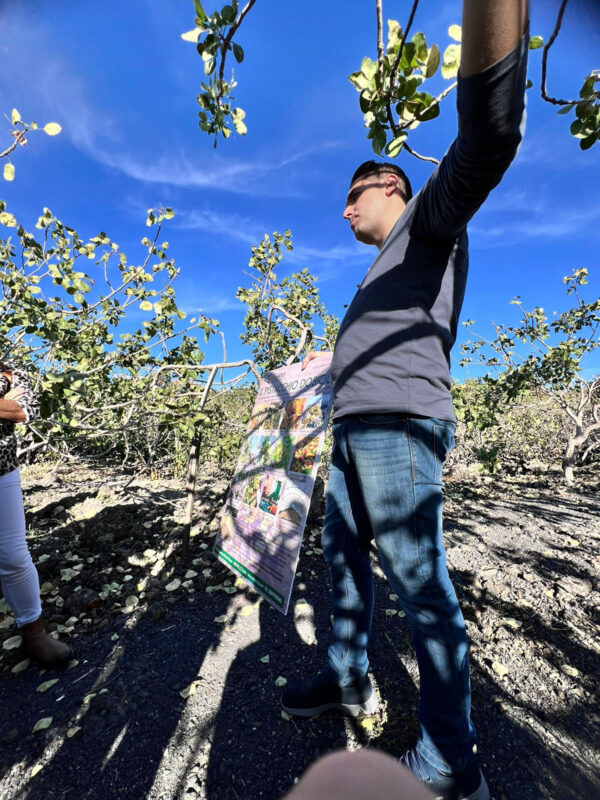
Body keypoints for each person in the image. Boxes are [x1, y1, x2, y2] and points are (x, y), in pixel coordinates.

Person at [281, 2, 529, 798]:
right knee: (342, 561)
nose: (345, 211)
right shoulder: (380, 268)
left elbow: (488, 141)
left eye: (354, 196)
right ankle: (349, 678)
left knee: (420, 585)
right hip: (352, 430)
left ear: (389, 185)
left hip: (396, 428)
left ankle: (453, 765)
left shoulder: (427, 220)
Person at [0, 362, 73, 667]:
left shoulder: (14, 367)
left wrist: (13, 407)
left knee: (14, 556)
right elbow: (11, 408)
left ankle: (35, 634)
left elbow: (25, 411)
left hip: (2, 469)